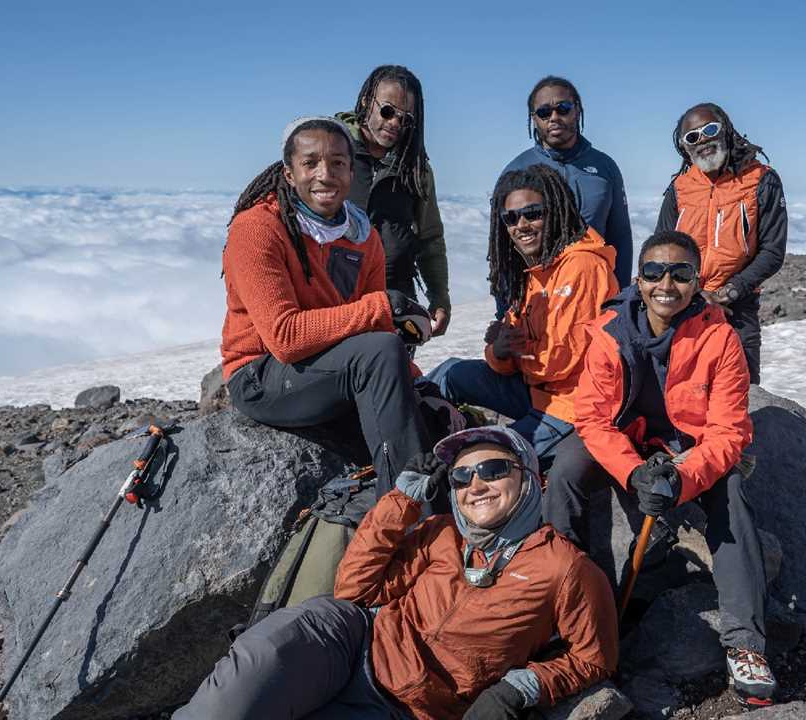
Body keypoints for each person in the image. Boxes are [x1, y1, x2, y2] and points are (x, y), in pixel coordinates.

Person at [174, 425, 619, 720]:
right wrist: (401, 500)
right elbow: (354, 590)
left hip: (411, 708)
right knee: (241, 688)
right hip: (349, 642)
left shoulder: (564, 568)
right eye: (461, 478)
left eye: (493, 469)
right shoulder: (440, 531)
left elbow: (594, 658)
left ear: (528, 477)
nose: (475, 485)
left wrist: (519, 687)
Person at [542, 231, 777, 705]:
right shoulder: (610, 331)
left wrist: (681, 479)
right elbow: (592, 417)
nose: (665, 283)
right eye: (653, 272)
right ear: (638, 279)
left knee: (729, 495)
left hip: (686, 449)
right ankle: (553, 607)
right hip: (625, 441)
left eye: (680, 273)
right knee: (566, 468)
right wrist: (633, 473)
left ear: (696, 282)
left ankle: (746, 643)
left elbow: (729, 433)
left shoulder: (720, 338)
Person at [220, 115, 436, 493]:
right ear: (289, 173)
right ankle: (406, 510)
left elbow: (376, 332)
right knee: (379, 351)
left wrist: (417, 386)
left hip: (327, 370)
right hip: (260, 374)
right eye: (310, 163)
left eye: (338, 162)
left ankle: (419, 499)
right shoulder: (258, 228)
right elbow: (285, 338)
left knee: (432, 420)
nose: (325, 174)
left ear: (351, 171)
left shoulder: (362, 236)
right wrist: (383, 305)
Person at [427, 164, 618, 468]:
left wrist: (513, 352)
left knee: (483, 460)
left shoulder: (582, 267)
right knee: (449, 373)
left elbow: (558, 363)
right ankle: (400, 431)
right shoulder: (535, 271)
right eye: (511, 218)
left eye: (533, 213)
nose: (521, 225)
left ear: (555, 211)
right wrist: (500, 352)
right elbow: (509, 347)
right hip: (534, 391)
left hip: (571, 406)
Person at [654, 103, 787, 385]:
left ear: (725, 130)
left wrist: (730, 291)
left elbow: (773, 251)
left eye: (710, 129)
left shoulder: (761, 181)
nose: (702, 140)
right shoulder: (679, 189)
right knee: (676, 395)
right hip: (683, 306)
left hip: (737, 307)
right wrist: (695, 295)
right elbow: (660, 250)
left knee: (741, 394)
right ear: (684, 147)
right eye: (692, 137)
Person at [338, 65, 452, 337]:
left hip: (395, 301)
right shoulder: (333, 149)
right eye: (388, 111)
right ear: (367, 101)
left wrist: (439, 296)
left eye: (406, 119)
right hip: (334, 299)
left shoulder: (415, 169)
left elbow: (430, 237)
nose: (394, 124)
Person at [500, 76, 632, 296]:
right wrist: (506, 310)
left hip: (596, 292)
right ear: (534, 119)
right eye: (544, 112)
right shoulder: (517, 171)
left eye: (563, 108)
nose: (554, 118)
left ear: (577, 111)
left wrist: (621, 300)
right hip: (538, 300)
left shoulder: (605, 167)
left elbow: (620, 237)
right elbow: (503, 248)